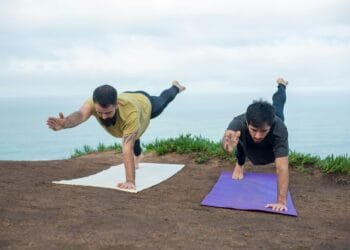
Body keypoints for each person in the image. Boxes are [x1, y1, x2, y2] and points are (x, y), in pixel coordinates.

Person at [47, 81, 186, 190]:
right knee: (129, 132)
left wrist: (130, 181)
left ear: (117, 105)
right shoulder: (93, 103)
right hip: (129, 108)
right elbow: (80, 115)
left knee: (162, 101)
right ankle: (139, 155)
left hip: (144, 104)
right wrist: (65, 123)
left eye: (108, 112)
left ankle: (176, 87)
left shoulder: (130, 114)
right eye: (99, 112)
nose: (103, 116)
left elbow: (126, 149)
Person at [222, 77, 289, 212]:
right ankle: (239, 165)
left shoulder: (279, 128)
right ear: (247, 122)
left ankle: (281, 86)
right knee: (240, 139)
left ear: (271, 126)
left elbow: (282, 167)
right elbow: (226, 142)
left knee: (278, 106)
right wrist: (227, 147)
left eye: (263, 131)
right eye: (254, 130)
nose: (258, 136)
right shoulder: (238, 123)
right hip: (247, 146)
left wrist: (281, 202)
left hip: (270, 149)